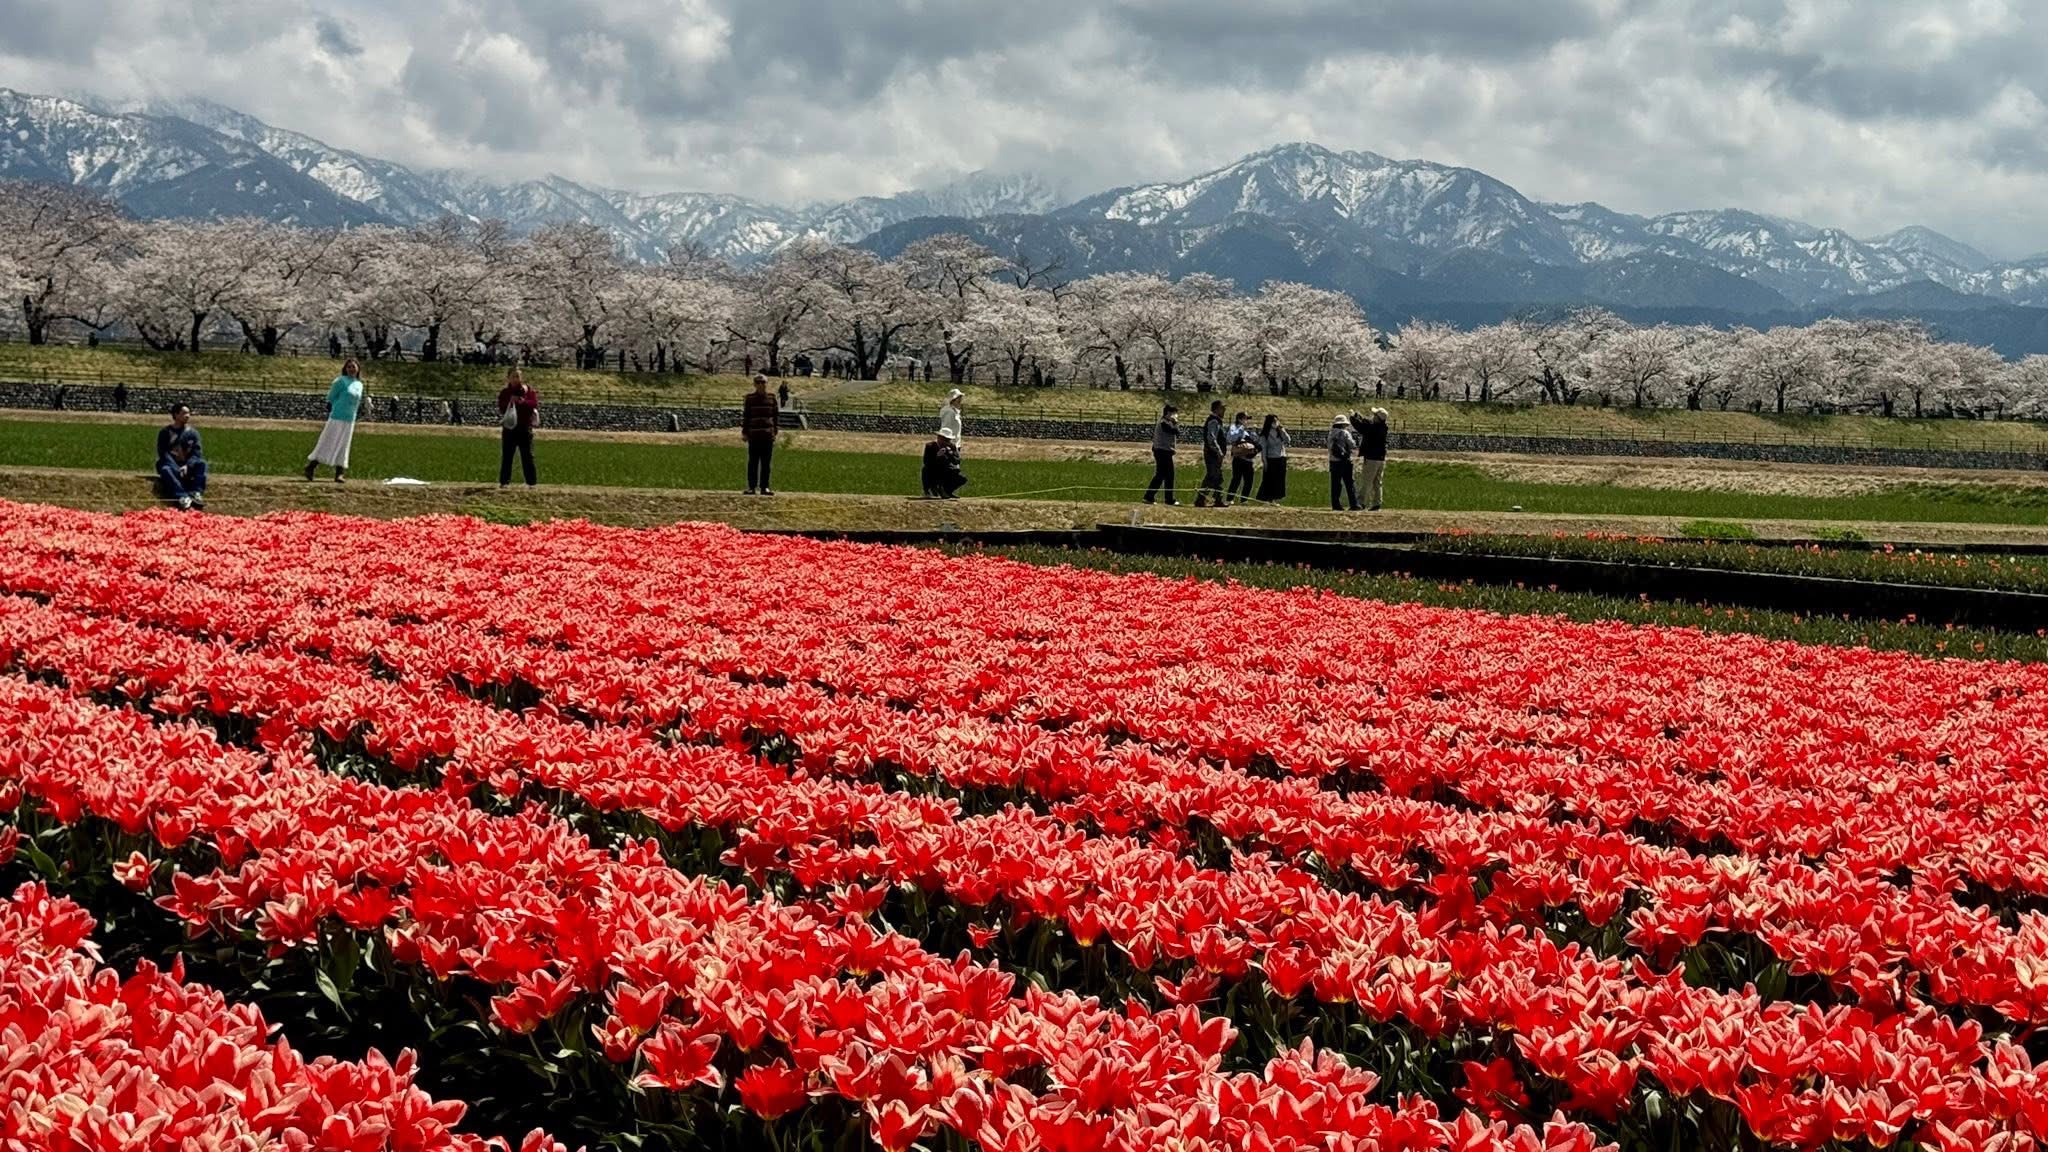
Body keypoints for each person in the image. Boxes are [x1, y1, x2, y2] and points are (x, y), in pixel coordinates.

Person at [305, 359, 365, 483]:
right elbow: (331, 397)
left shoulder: (359, 384)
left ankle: (339, 473)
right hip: (337, 416)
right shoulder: (340, 381)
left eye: (353, 367)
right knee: (328, 441)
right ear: (345, 369)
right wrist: (335, 408)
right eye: (349, 367)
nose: (351, 369)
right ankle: (311, 466)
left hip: (350, 419)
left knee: (344, 445)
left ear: (358, 369)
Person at [155, 404, 206, 511]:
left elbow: (196, 453)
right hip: (171, 465)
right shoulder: (165, 432)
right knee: (165, 470)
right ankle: (182, 496)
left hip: (187, 465)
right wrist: (177, 468)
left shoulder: (193, 433)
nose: (187, 416)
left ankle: (196, 492)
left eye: (189, 413)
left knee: (202, 464)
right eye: (184, 413)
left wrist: (188, 465)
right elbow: (163, 453)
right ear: (176, 415)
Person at [497, 367, 540, 488]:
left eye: (518, 376)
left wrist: (522, 402)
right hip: (510, 429)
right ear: (508, 378)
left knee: (527, 456)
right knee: (507, 456)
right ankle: (504, 482)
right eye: (513, 376)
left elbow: (534, 404)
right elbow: (501, 407)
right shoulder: (505, 392)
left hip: (525, 428)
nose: (515, 379)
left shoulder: (528, 391)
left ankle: (531, 483)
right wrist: (510, 402)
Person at [742, 373, 781, 495]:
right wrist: (744, 432)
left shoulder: (772, 398)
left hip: (767, 435)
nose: (760, 385)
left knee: (766, 463)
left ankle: (765, 487)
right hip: (754, 435)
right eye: (758, 382)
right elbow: (746, 416)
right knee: (753, 462)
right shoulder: (750, 399)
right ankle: (751, 487)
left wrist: (775, 431)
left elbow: (775, 416)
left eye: (763, 382)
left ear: (766, 384)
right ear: (754, 384)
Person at [1143, 403, 1180, 506]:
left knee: (1162, 475)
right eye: (1174, 413)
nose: (1176, 415)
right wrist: (1175, 423)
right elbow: (1174, 431)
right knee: (1167, 475)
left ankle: (1150, 496)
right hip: (1162, 451)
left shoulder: (1166, 422)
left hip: (1163, 451)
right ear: (1168, 413)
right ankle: (1167, 499)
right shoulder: (1164, 423)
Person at [1194, 400, 1227, 508]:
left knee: (1215, 476)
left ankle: (1215, 499)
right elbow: (1211, 438)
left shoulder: (1217, 421)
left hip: (1213, 454)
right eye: (1222, 408)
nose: (1224, 410)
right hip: (1212, 454)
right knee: (1213, 476)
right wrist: (1219, 451)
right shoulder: (1213, 421)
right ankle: (1203, 499)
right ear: (1217, 409)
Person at [1358, 407, 1390, 511]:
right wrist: (1361, 418)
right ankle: (1377, 503)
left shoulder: (1374, 428)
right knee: (1377, 482)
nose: (1373, 416)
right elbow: (1367, 425)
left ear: (1378, 418)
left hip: (1371, 458)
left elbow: (1362, 428)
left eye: (1375, 415)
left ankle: (1361, 502)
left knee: (1367, 481)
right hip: (1381, 459)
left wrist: (1355, 418)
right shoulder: (1383, 428)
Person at [1328, 414, 1361, 512]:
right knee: (1349, 482)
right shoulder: (1345, 433)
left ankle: (1336, 504)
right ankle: (1354, 504)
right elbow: (1352, 445)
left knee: (1335, 483)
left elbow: (1329, 447)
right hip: (1345, 460)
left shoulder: (1331, 434)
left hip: (1333, 461)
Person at [922, 428, 967, 499]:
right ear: (939, 438)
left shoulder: (952, 447)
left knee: (962, 478)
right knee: (925, 470)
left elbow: (957, 461)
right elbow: (926, 462)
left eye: (948, 440)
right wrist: (937, 456)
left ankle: (947, 491)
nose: (946, 442)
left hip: (947, 470)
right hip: (934, 471)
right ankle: (930, 490)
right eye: (944, 439)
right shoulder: (930, 446)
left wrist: (950, 454)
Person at [1225, 411, 1259, 505]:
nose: (1247, 421)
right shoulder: (1234, 427)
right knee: (1236, 479)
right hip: (1238, 458)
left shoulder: (1248, 430)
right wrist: (1241, 429)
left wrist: (1253, 432)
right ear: (1239, 419)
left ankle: (1244, 500)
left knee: (1249, 480)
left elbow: (1256, 440)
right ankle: (1229, 499)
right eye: (1245, 419)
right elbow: (1230, 438)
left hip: (1248, 458)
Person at [1256, 415, 1290, 503]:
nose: (1276, 423)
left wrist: (1283, 431)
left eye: (1277, 421)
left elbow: (1288, 440)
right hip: (1271, 458)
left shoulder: (1280, 431)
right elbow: (1264, 448)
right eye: (1274, 421)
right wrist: (1264, 461)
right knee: (1270, 479)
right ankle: (1268, 498)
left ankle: (1276, 498)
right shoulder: (1265, 434)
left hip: (1281, 457)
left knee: (1280, 479)